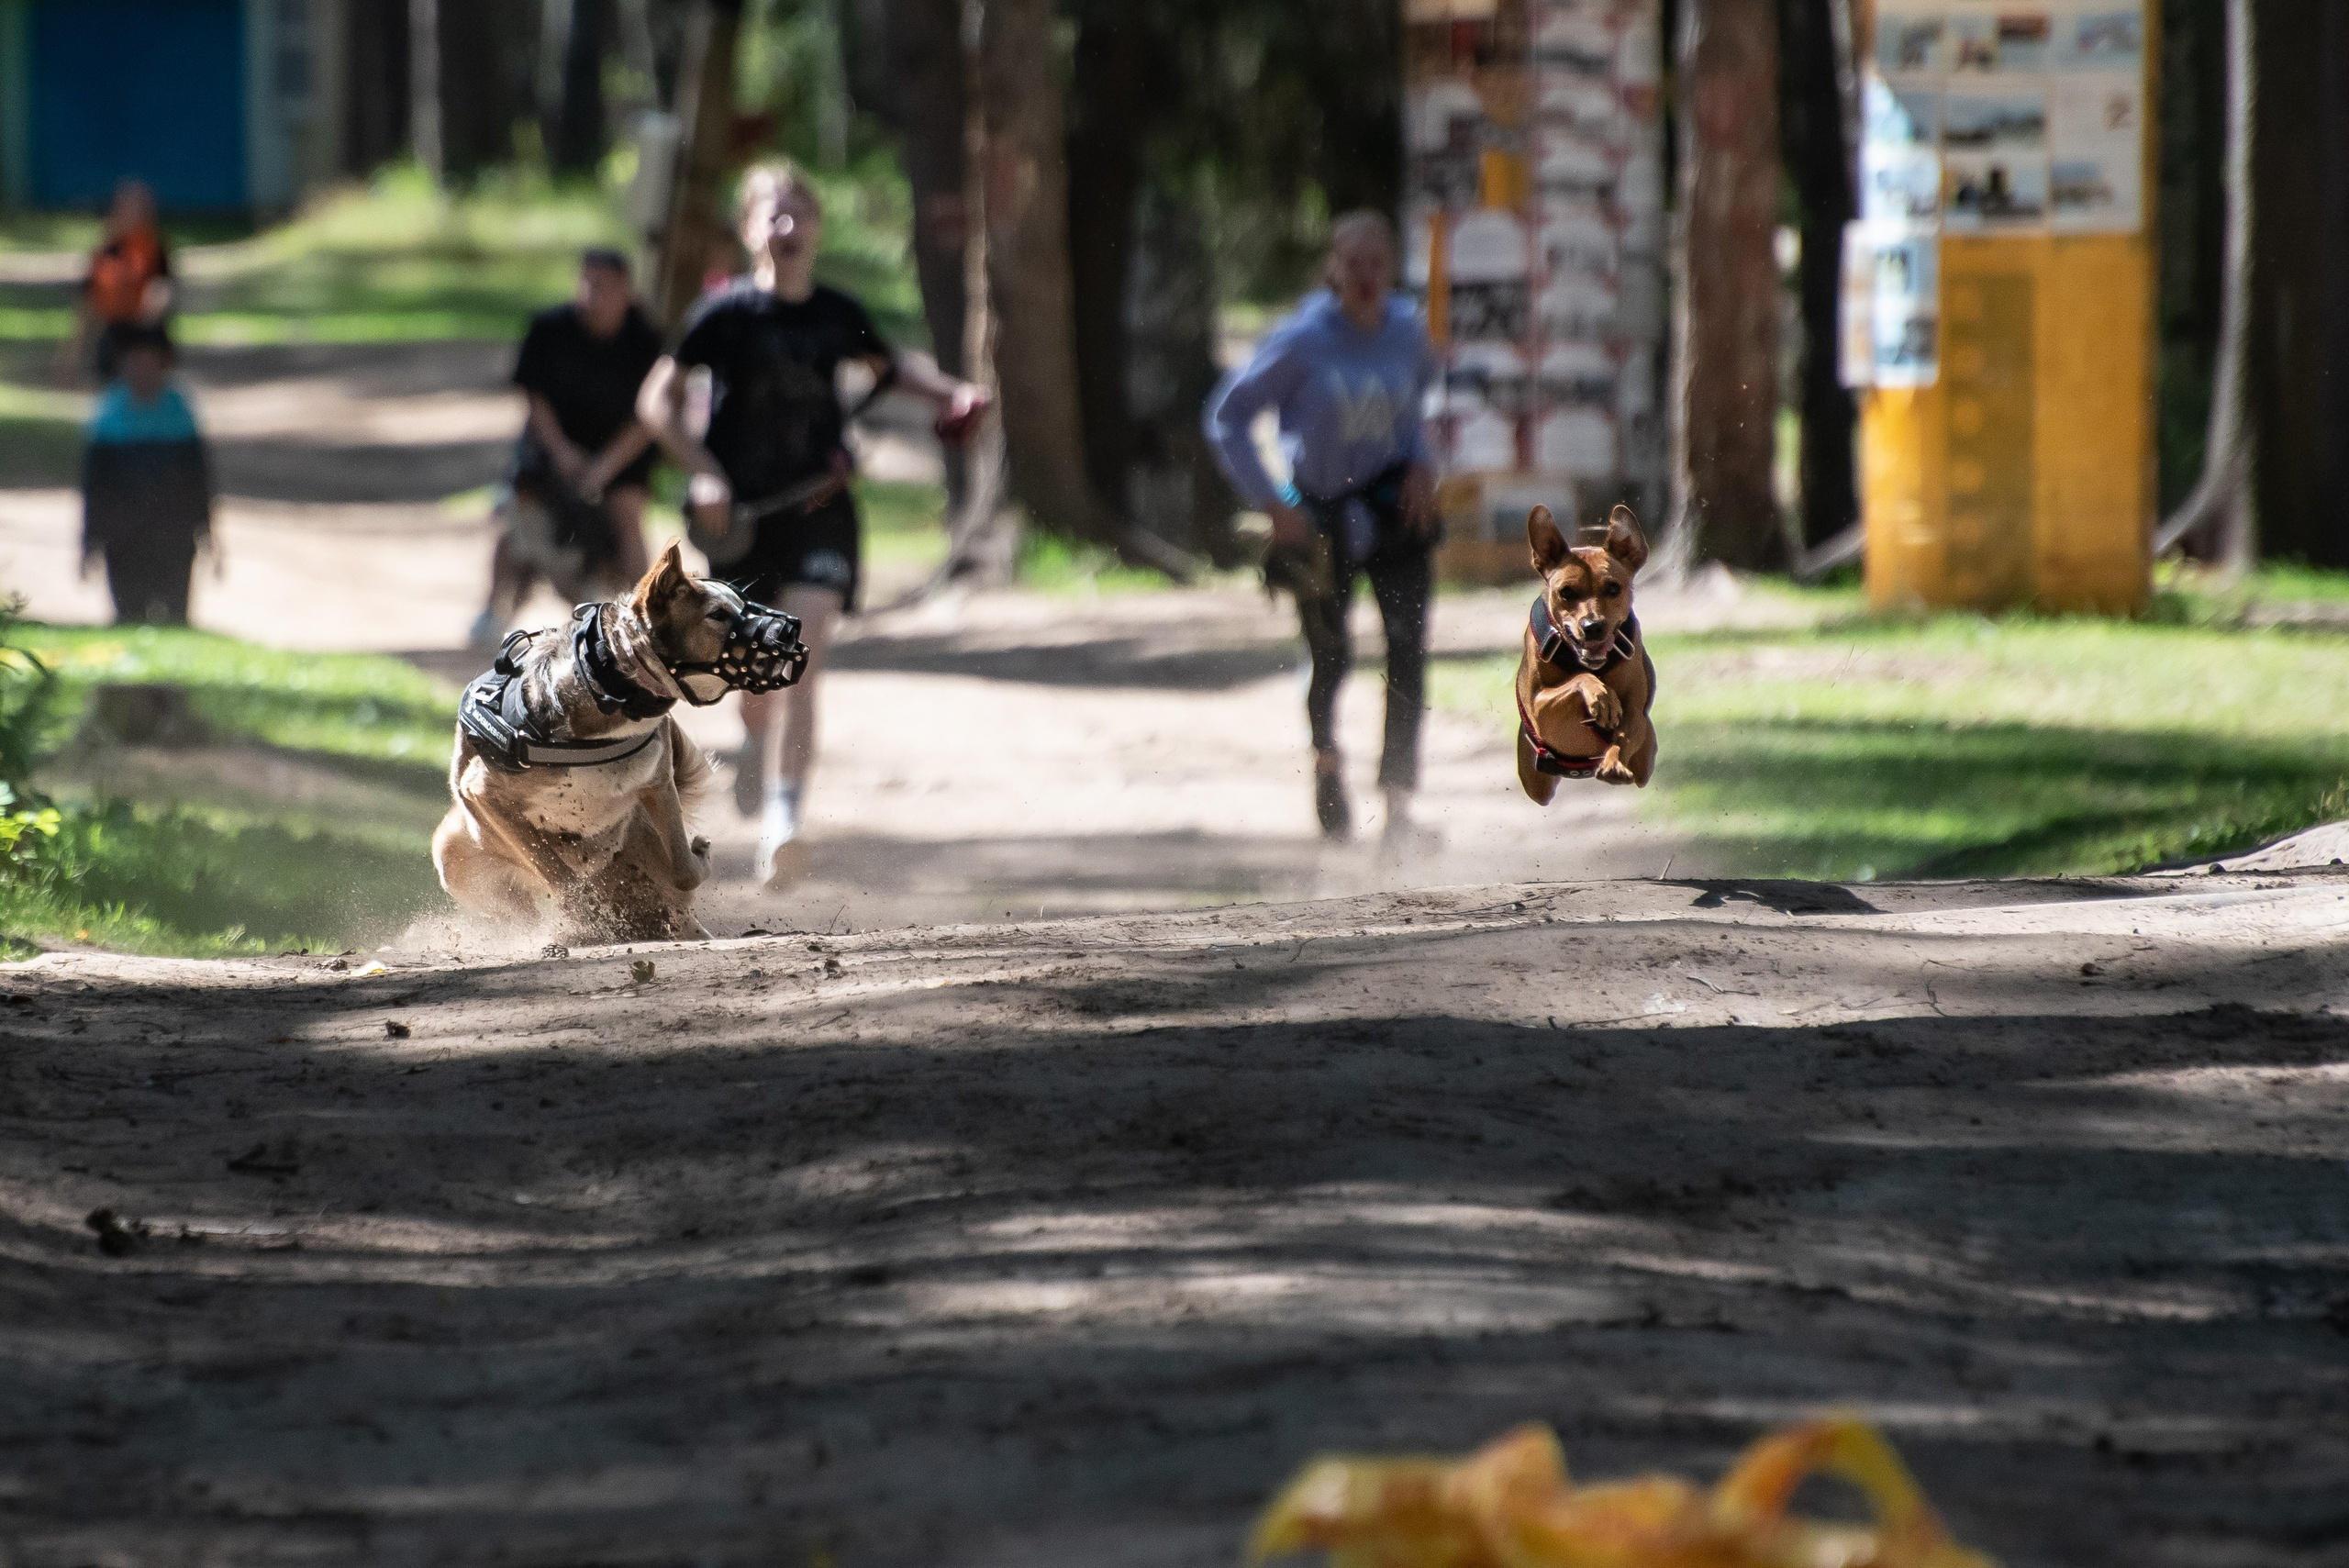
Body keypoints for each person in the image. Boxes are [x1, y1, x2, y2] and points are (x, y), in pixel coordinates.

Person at [637, 161, 989, 887]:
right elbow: (655, 402)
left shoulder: (835, 312)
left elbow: (892, 371)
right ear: (749, 229)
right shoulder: (724, 315)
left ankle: (783, 823)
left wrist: (954, 393)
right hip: (742, 522)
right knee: (756, 683)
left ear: (819, 228)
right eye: (773, 213)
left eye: (800, 212)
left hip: (824, 512)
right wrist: (703, 468)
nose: (788, 226)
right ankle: (753, 743)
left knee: (802, 652)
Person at [1202, 210, 1441, 843]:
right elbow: (1227, 417)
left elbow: (1426, 406)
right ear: (1333, 268)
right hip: (1319, 518)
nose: (1365, 276)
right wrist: (1273, 501)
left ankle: (1397, 803)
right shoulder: (1303, 339)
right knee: (1331, 654)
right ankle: (1327, 762)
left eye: (1377, 264)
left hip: (1395, 510)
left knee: (1408, 651)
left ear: (1391, 270)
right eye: (1353, 263)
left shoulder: (1407, 332)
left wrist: (1422, 462)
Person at [471, 247, 663, 647]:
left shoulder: (646, 340)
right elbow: (535, 398)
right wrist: (563, 454)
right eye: (588, 284)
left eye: (606, 287)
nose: (595, 296)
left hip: (620, 454)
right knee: (513, 517)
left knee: (627, 519)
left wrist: (603, 468)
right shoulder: (550, 329)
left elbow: (650, 417)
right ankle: (493, 608)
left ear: (627, 291)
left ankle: (648, 616)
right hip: (550, 445)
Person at [80, 325, 212, 625]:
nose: (141, 370)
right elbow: (94, 485)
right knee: (129, 614)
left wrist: (207, 530)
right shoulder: (109, 414)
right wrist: (89, 539)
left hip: (173, 534)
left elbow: (199, 477)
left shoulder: (179, 410)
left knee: (175, 617)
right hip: (123, 535)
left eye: (149, 361)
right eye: (133, 361)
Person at [61, 180, 173, 385]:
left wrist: (150, 318)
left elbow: (162, 289)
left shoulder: (155, 249)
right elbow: (90, 301)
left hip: (145, 336)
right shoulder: (106, 251)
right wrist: (74, 352)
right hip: (114, 337)